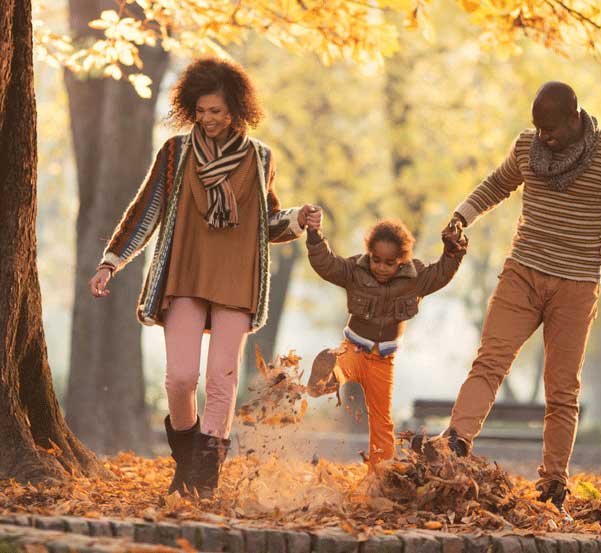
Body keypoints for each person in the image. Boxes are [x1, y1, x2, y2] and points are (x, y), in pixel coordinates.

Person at [420, 81, 601, 515]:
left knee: (562, 389)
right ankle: (455, 444)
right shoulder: (529, 147)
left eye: (550, 129)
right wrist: (461, 216)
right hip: (523, 273)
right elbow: (497, 184)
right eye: (537, 128)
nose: (543, 137)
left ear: (575, 118)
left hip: (576, 284)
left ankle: (552, 483)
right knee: (489, 361)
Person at [88, 57, 321, 497]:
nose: (208, 119)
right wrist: (111, 261)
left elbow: (265, 222)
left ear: (235, 111)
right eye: (201, 111)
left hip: (236, 280)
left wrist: (298, 218)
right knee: (179, 378)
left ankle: (205, 476)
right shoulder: (176, 153)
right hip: (184, 275)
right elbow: (147, 210)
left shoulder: (259, 157)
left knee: (221, 379)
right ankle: (187, 456)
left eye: (216, 111)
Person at [305, 217, 468, 466]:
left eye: (389, 263)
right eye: (376, 259)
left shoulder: (415, 278)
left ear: (402, 260)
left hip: (383, 361)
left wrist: (453, 251)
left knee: (382, 421)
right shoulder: (355, 271)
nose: (381, 267)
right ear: (369, 254)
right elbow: (327, 265)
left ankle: (380, 473)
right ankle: (326, 376)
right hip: (354, 348)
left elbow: (440, 274)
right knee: (339, 366)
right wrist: (315, 236)